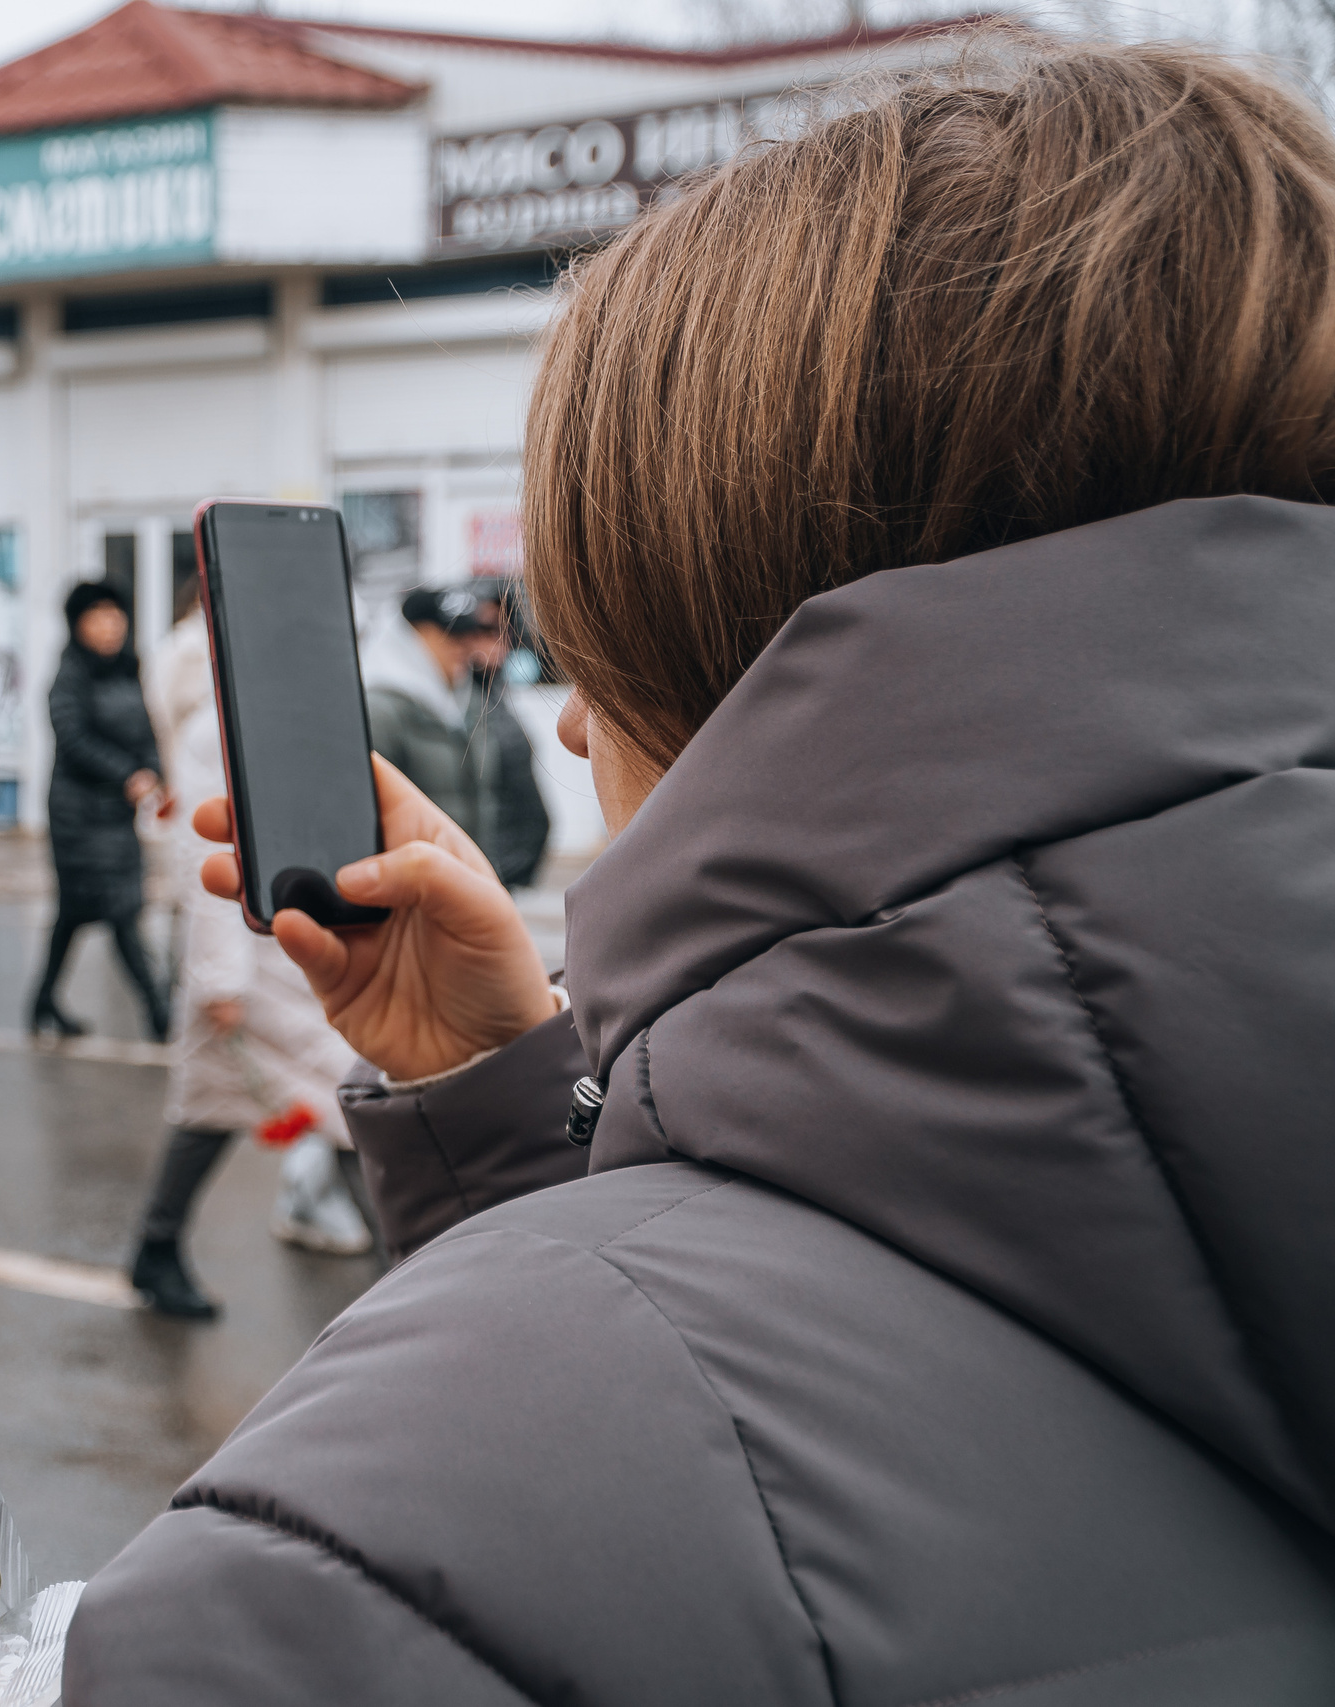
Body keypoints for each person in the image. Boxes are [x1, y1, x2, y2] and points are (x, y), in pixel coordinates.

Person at [68, 39, 1335, 1703]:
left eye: (582, 620)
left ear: (688, 650)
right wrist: (509, 1124)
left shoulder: (360, 1553)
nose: (569, 711)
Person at [133, 696, 369, 1320]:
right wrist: (221, 979)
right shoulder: (219, 724)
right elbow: (204, 851)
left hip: (285, 948)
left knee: (235, 1107)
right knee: (348, 1104)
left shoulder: (284, 705)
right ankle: (410, 1276)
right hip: (247, 958)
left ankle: (156, 1246)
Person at [31, 581, 170, 1041]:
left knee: (74, 914)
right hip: (78, 816)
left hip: (115, 814)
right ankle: (158, 1011)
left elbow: (147, 728)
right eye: (98, 616)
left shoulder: (127, 669)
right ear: (78, 624)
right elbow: (73, 739)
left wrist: (152, 770)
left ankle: (42, 1001)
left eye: (116, 614)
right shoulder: (69, 675)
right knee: (121, 912)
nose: (110, 624)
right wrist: (127, 775)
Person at [361, 579, 550, 889]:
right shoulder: (380, 712)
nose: (465, 648)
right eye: (451, 637)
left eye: (468, 635)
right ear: (412, 637)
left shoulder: (467, 703)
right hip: (414, 894)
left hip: (471, 885)